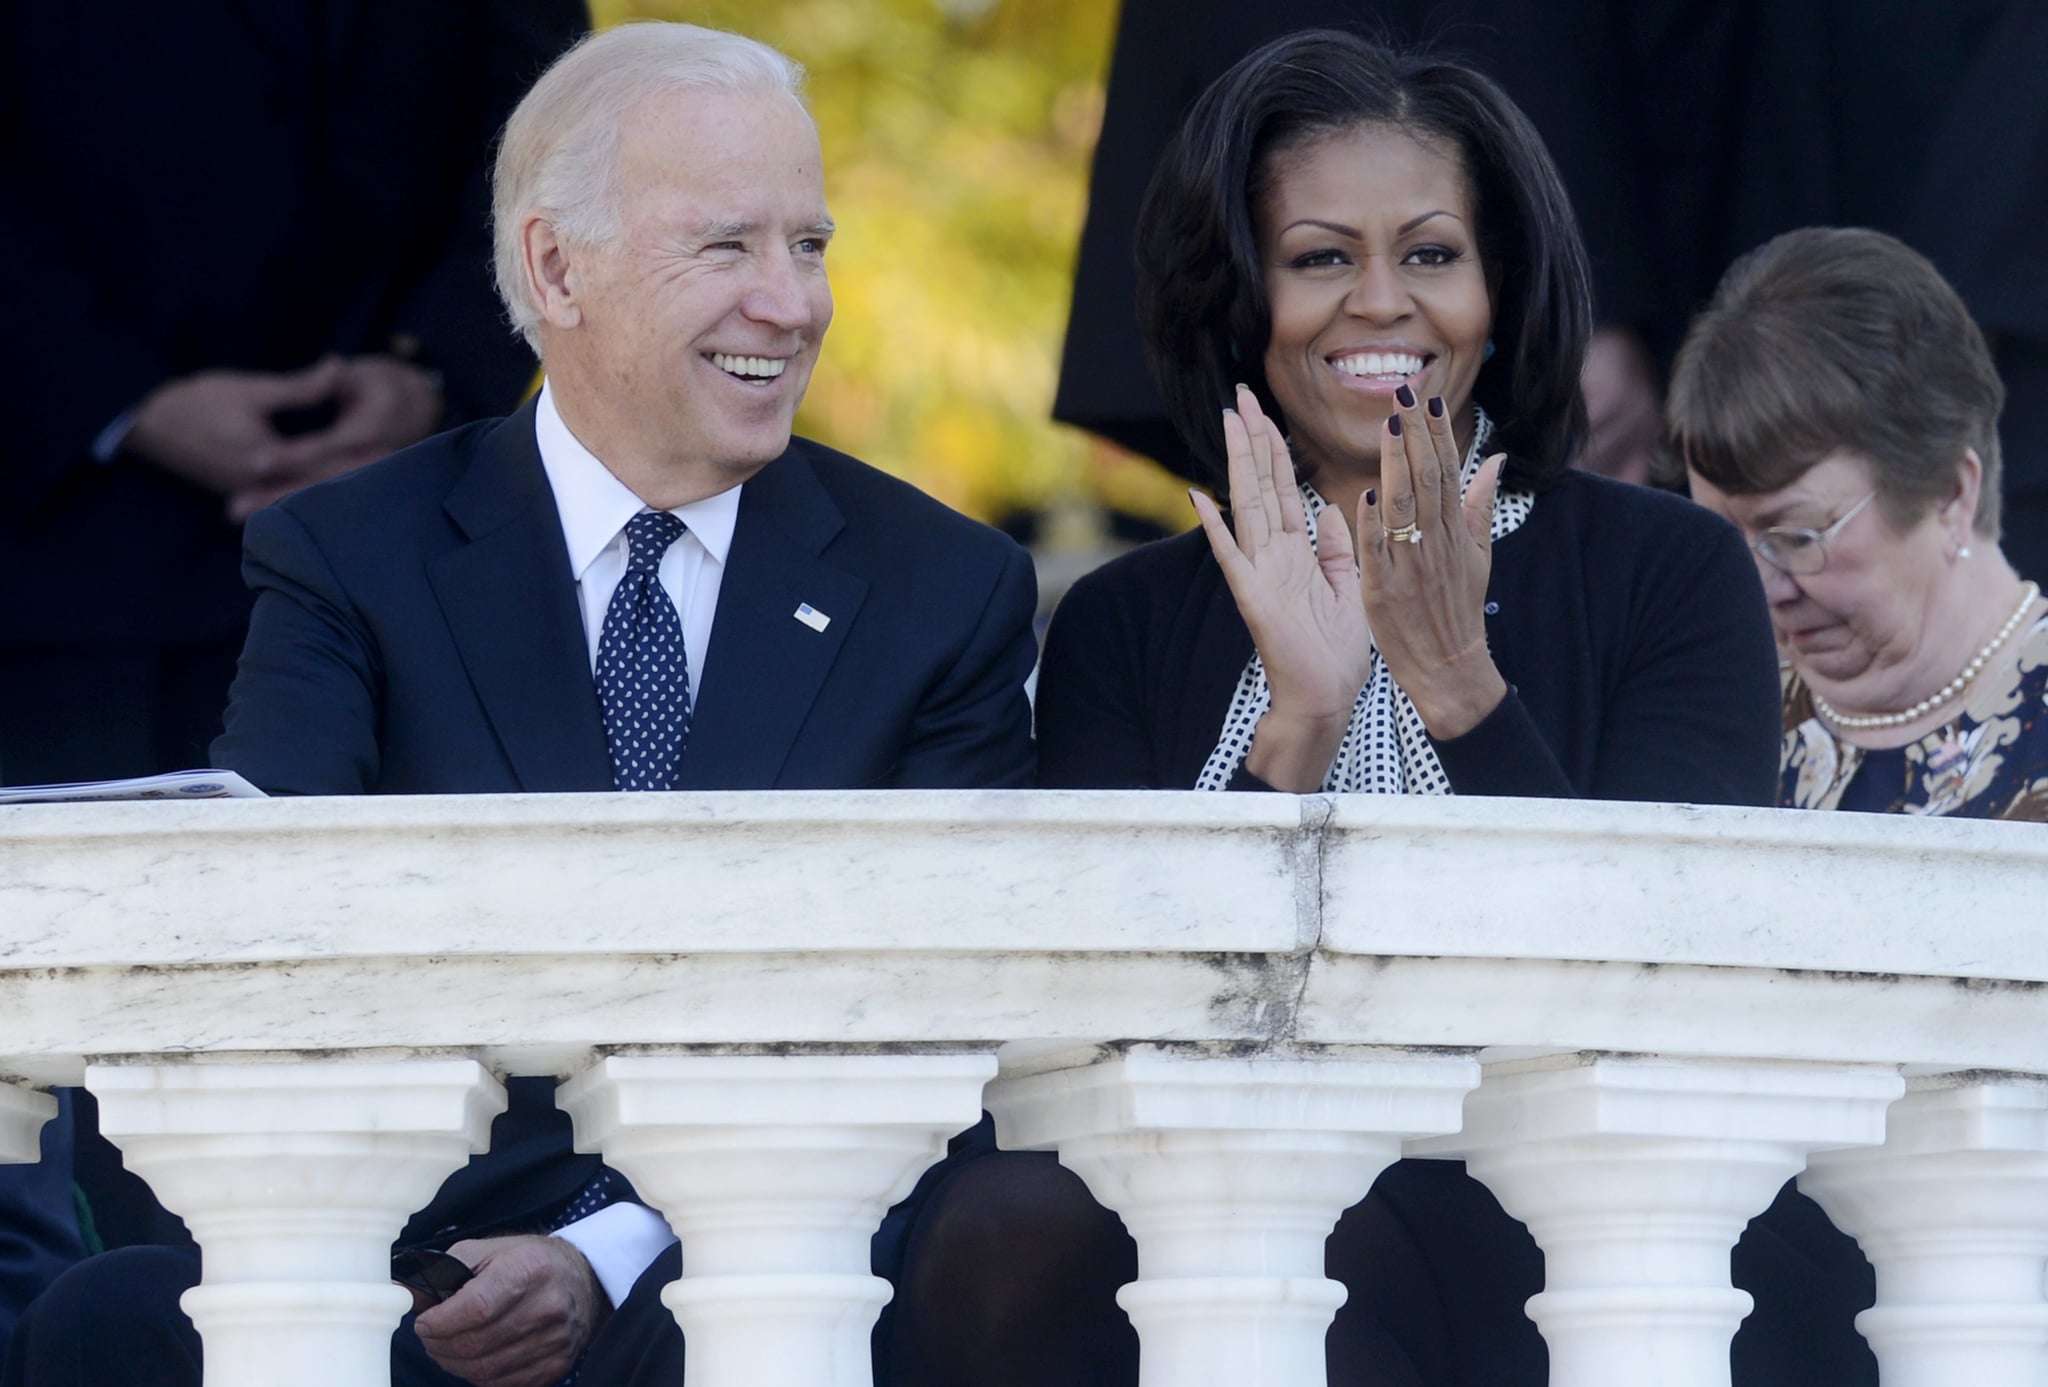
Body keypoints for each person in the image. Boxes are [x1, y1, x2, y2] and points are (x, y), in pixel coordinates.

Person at [4, 22, 1037, 1387]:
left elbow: (931, 1035)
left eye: (810, 244)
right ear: (558, 267)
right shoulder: (346, 557)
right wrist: (441, 1269)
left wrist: (602, 1254)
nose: (792, 305)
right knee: (107, 1321)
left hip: (749, 1259)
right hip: (405, 1270)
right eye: (728, 247)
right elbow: (267, 962)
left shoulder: (942, 589)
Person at [984, 29, 1870, 1387]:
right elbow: (1107, 1014)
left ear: (1500, 289)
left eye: (1434, 255)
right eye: (1321, 257)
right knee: (1012, 1234)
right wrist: (1298, 717)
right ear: (1242, 294)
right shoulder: (1124, 622)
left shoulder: (1664, 567)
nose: (1382, 303)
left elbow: (1668, 978)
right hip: (1236, 1204)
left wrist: (1459, 685)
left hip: (1580, 1202)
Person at [0, 0, 587, 788]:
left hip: (412, 548)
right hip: (60, 563)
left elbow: (547, 113)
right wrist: (124, 399)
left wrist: (431, 367)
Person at [1669, 228, 2047, 820]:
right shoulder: (1701, 715)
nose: (1761, 587)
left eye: (1795, 536)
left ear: (1950, 495)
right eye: (1723, 538)